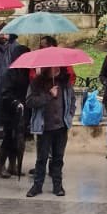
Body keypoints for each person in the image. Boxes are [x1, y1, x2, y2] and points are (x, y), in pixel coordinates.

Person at [25, 66, 73, 197]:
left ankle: (58, 186)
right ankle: (37, 186)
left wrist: (69, 115)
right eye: (53, 67)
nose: (55, 68)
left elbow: (71, 100)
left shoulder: (65, 82)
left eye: (57, 66)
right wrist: (49, 95)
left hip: (61, 127)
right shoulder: (37, 82)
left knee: (58, 158)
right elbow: (30, 101)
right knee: (42, 158)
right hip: (44, 127)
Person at [0, 44, 32, 179]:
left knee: (18, 138)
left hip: (23, 110)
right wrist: (15, 102)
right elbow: (5, 93)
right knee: (9, 138)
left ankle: (13, 165)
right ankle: (1, 165)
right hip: (10, 110)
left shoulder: (27, 72)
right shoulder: (10, 72)